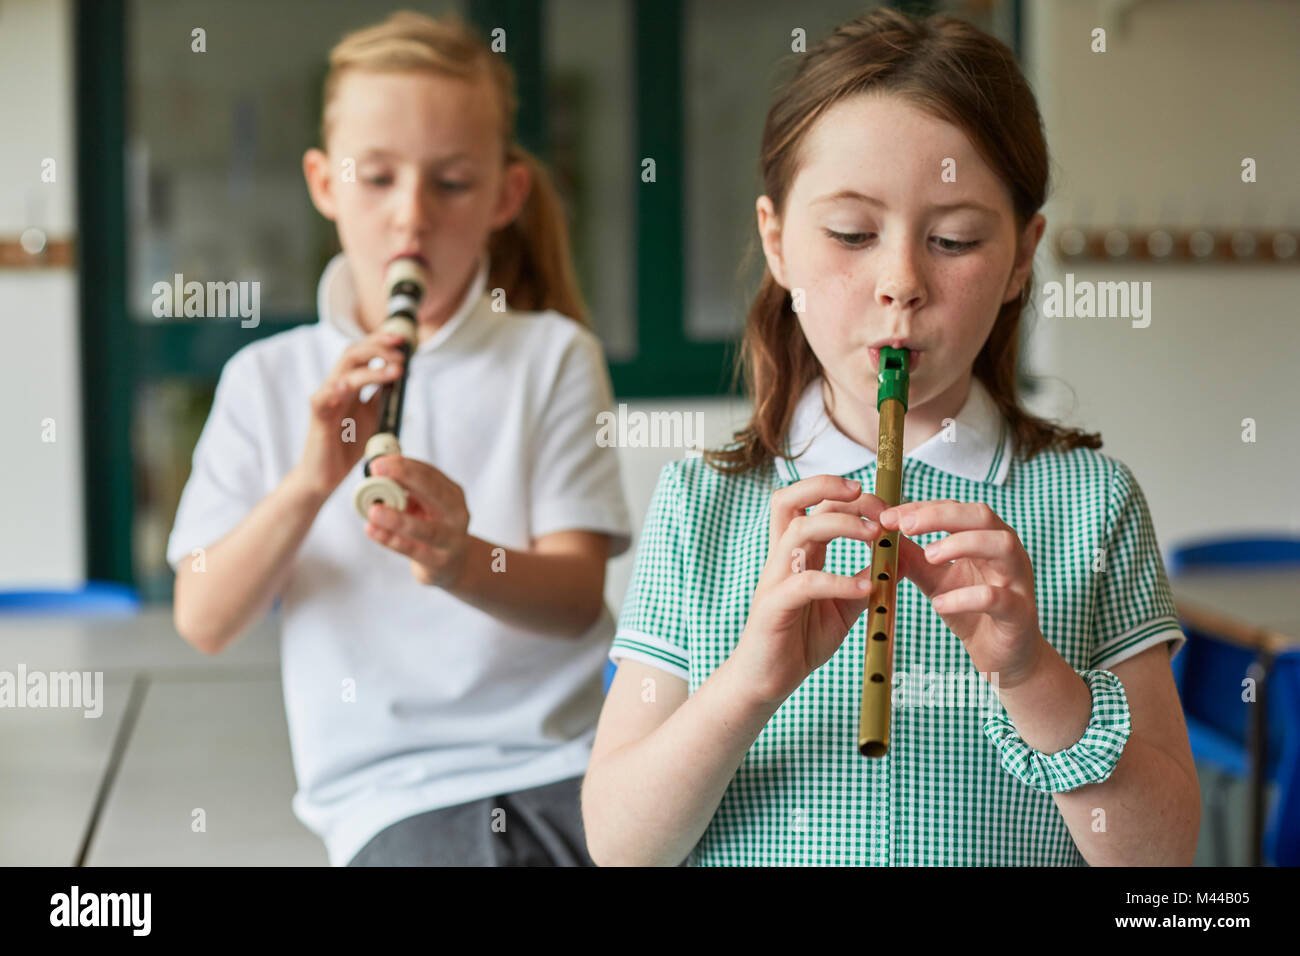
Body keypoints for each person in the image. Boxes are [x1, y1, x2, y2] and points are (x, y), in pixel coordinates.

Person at [582, 7, 1199, 866]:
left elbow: (1159, 861)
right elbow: (619, 847)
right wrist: (750, 683)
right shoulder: (703, 503)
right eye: (851, 234)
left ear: (1022, 257)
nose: (901, 283)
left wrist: (1032, 677)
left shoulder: (1091, 503)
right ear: (778, 243)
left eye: (954, 239)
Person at [168, 10, 630, 867]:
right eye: (375, 177)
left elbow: (575, 601)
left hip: (579, 761)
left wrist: (463, 560)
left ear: (505, 195)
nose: (409, 218)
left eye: (451, 182)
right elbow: (202, 617)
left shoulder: (552, 354)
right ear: (323, 183)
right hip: (395, 790)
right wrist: (310, 481)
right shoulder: (265, 380)